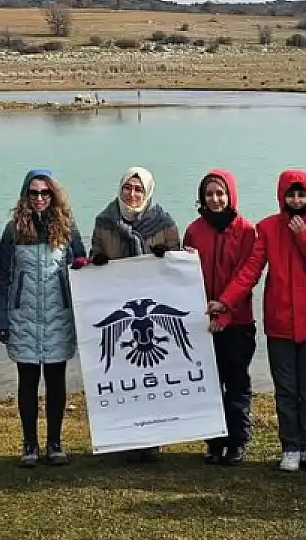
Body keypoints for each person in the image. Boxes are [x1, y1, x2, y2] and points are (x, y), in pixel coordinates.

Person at [213, 169, 306, 474]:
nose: (296, 200)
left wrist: (303, 236)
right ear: (282, 196)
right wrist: (226, 301)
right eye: (290, 194)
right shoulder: (267, 228)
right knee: (286, 391)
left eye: (301, 194)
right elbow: (250, 271)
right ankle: (291, 447)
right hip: (280, 323)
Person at [0, 169, 88, 467]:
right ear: (25, 195)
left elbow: (82, 267)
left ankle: (55, 443)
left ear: (54, 195)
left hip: (59, 316)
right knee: (28, 382)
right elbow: (3, 278)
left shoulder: (67, 228)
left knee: (56, 382)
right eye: (33, 193)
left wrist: (84, 311)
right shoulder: (13, 230)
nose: (39, 198)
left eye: (45, 192)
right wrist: (0, 319)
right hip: (24, 316)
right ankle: (30, 444)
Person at [88, 166, 181, 462]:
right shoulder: (104, 222)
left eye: (139, 189)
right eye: (127, 188)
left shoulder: (164, 222)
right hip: (120, 308)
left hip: (151, 312)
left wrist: (166, 256)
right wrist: (97, 260)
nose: (132, 194)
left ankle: (154, 437)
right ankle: (125, 435)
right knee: (123, 371)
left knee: (153, 375)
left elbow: (178, 264)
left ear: (148, 192)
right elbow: (94, 253)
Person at [184, 169, 257, 466]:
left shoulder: (246, 231)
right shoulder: (194, 230)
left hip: (238, 321)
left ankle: (237, 441)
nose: (215, 199)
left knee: (236, 382)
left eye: (220, 193)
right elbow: (185, 275)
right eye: (209, 194)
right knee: (209, 384)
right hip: (203, 321)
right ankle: (214, 441)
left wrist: (224, 311)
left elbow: (246, 276)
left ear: (230, 195)